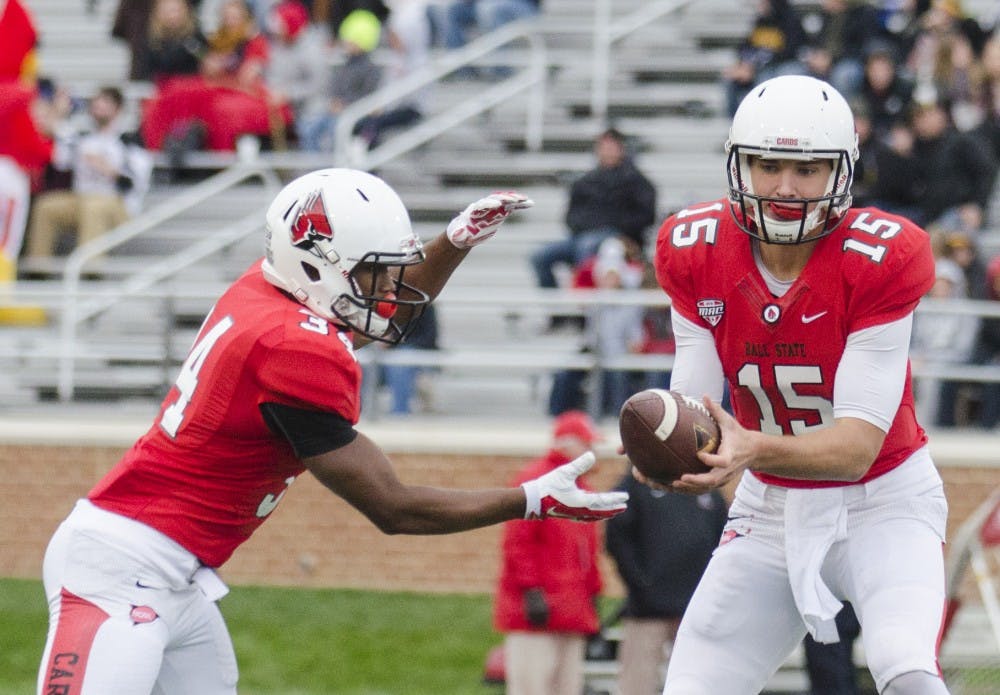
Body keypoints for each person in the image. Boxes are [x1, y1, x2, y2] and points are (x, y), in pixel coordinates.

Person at [35, 168, 628, 695]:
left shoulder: (268, 289)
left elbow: (378, 314)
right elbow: (394, 508)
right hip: (120, 570)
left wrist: (454, 241)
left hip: (175, 573)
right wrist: (530, 499)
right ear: (318, 265)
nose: (389, 289)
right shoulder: (292, 347)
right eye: (376, 273)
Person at [648, 74, 951, 694]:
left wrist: (751, 447)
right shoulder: (696, 250)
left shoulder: (880, 257)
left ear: (840, 174)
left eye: (807, 169)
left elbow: (856, 446)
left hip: (884, 498)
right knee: (694, 683)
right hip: (770, 508)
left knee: (906, 669)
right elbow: (697, 412)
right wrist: (668, 453)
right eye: (767, 164)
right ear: (740, 165)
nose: (785, 187)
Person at [493, 410, 607, 695]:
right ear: (568, 445)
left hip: (571, 608)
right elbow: (518, 543)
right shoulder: (535, 482)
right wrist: (531, 591)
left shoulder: (582, 490)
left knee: (566, 687)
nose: (592, 451)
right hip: (536, 612)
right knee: (532, 687)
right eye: (587, 444)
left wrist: (593, 593)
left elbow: (586, 555)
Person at [605, 476, 727, 695]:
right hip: (646, 610)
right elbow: (617, 538)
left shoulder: (703, 485)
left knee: (698, 680)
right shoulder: (637, 482)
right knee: (638, 681)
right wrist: (641, 582)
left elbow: (724, 539)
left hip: (695, 609)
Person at [23, 86, 153, 268]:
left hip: (116, 202)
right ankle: (38, 267)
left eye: (105, 102)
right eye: (96, 103)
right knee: (47, 206)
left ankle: (91, 269)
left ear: (118, 109)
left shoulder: (128, 141)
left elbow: (138, 183)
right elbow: (60, 158)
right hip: (81, 198)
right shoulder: (83, 139)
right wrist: (58, 113)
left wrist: (110, 170)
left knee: (94, 207)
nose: (99, 107)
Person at [530, 128, 657, 295]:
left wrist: (612, 225)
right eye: (603, 147)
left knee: (586, 246)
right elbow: (570, 217)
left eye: (611, 147)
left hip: (618, 238)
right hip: (581, 236)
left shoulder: (637, 182)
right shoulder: (586, 181)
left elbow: (646, 217)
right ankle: (557, 313)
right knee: (540, 257)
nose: (607, 152)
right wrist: (588, 226)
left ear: (621, 149)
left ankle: (584, 312)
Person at [296, 8, 383, 152]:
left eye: (351, 40)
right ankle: (316, 169)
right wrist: (334, 103)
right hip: (336, 112)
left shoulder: (371, 68)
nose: (346, 43)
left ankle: (332, 168)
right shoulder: (344, 65)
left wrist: (345, 105)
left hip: (354, 116)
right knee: (309, 129)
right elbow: (335, 89)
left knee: (335, 131)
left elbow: (370, 99)